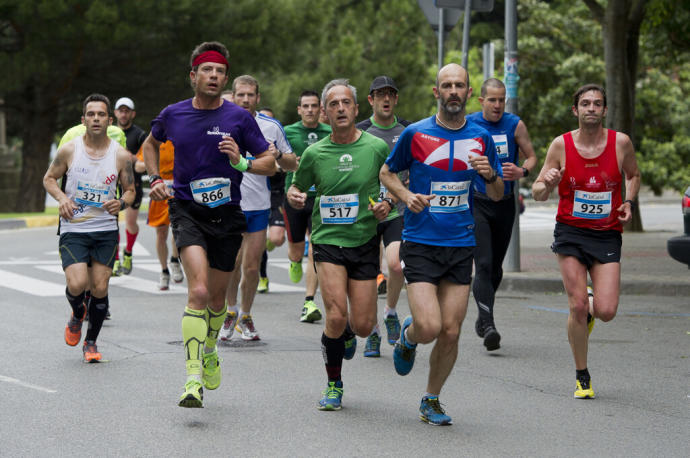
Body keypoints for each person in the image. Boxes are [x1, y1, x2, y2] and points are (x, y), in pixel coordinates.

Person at [142, 41, 275, 408]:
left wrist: (243, 163)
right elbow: (150, 146)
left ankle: (211, 349)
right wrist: (155, 179)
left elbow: (270, 162)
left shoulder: (238, 119)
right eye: (207, 70)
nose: (214, 76)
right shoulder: (173, 114)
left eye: (220, 72)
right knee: (198, 293)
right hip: (187, 210)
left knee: (217, 300)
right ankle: (192, 376)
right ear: (193, 76)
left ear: (225, 78)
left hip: (228, 213)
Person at [380, 63, 503, 426]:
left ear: (468, 93)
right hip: (419, 241)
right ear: (437, 92)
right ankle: (408, 334)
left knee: (451, 329)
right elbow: (387, 173)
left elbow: (497, 193)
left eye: (459, 85)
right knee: (430, 327)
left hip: (461, 243)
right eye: (446, 85)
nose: (453, 91)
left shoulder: (481, 137)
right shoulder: (416, 133)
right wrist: (405, 195)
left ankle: (431, 399)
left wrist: (490, 174)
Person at [287, 79, 391, 411]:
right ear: (324, 112)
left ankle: (346, 329)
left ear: (357, 109)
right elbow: (296, 187)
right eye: (333, 104)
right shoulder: (314, 153)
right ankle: (334, 384)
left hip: (363, 240)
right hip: (328, 240)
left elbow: (393, 184)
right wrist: (295, 195)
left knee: (361, 325)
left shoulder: (376, 148)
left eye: (346, 102)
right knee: (333, 315)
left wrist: (385, 203)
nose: (341, 108)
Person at [532, 83, 640, 399]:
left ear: (604, 110)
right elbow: (538, 192)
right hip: (570, 232)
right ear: (575, 110)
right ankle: (582, 375)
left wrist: (628, 202)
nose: (591, 108)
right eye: (585, 103)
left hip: (606, 233)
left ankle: (592, 306)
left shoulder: (620, 143)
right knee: (576, 305)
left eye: (597, 103)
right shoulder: (560, 146)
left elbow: (633, 175)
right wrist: (547, 184)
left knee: (606, 311)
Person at [43, 93, 135, 362]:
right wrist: (62, 198)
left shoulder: (121, 156)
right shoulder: (70, 150)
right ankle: (76, 313)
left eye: (101, 114)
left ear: (110, 120)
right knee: (78, 283)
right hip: (74, 228)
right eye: (91, 114)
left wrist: (121, 202)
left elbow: (130, 191)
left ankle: (91, 342)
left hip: (105, 229)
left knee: (100, 287)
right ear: (83, 120)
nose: (96, 119)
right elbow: (49, 178)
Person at [219, 75, 295, 341]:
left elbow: (292, 163)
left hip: (258, 207)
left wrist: (276, 155)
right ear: (234, 95)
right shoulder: (220, 122)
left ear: (258, 97)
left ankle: (246, 315)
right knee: (231, 264)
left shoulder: (271, 126)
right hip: (228, 204)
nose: (246, 99)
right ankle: (231, 311)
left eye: (251, 95)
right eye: (241, 95)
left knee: (251, 268)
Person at [466, 78, 537, 351]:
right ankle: (489, 324)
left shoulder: (514, 124)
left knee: (496, 269)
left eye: (501, 100)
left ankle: (482, 318)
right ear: (481, 100)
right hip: (477, 202)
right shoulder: (470, 124)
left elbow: (530, 156)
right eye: (492, 100)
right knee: (482, 264)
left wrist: (523, 171)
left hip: (505, 203)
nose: (497, 105)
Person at [356, 75, 410, 357]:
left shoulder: (408, 130)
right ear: (371, 100)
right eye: (380, 95)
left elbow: (414, 172)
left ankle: (390, 311)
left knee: (396, 265)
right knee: (364, 278)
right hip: (365, 215)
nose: (385, 99)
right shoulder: (358, 131)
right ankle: (373, 332)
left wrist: (394, 198)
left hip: (396, 211)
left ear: (396, 99)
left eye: (390, 94)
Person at [283, 90, 332, 322]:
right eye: (306, 106)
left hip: (320, 197)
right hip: (294, 196)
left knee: (315, 247)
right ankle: (293, 261)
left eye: (314, 106)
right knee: (295, 249)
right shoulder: (289, 131)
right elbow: (278, 162)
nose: (310, 110)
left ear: (320, 109)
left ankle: (309, 301)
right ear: (299, 110)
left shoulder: (330, 132)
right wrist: (292, 163)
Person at [111, 97, 148, 276]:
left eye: (127, 111)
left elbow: (145, 163)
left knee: (130, 223)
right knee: (112, 223)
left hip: (134, 185)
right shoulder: (109, 133)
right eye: (120, 110)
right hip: (112, 184)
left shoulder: (140, 135)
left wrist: (129, 158)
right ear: (115, 112)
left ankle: (128, 253)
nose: (123, 114)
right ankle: (116, 260)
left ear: (132, 114)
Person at [144, 140, 184, 290]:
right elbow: (141, 162)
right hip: (160, 188)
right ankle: (164, 271)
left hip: (178, 188)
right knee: (161, 233)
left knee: (178, 227)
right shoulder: (154, 139)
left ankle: (174, 260)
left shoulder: (181, 135)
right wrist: (144, 166)